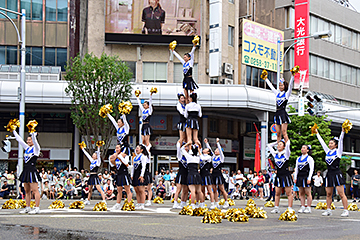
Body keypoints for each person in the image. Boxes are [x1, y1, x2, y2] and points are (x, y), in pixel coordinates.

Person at [315, 128, 349, 217]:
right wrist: (317, 133)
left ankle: (345, 210)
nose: (329, 145)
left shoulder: (338, 152)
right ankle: (328, 209)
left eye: (331, 143)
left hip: (337, 173)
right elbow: (322, 143)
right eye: (329, 143)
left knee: (341, 193)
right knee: (329, 193)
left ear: (336, 145)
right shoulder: (327, 151)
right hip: (329, 174)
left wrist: (342, 131)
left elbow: (341, 140)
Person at [13, 129, 41, 214]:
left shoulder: (36, 148)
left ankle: (37, 208)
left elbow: (35, 142)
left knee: (35, 190)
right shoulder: (27, 148)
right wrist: (13, 130)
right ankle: (28, 207)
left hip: (32, 171)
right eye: (27, 140)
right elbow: (19, 140)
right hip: (26, 170)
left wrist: (33, 134)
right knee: (27, 190)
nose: (28, 141)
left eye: (30, 139)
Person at [264, 73, 294, 143]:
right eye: (279, 85)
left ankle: (287, 147)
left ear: (285, 86)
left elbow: (290, 86)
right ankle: (279, 147)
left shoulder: (286, 94)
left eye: (282, 85)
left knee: (284, 132)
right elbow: (271, 87)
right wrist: (266, 79)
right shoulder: (277, 93)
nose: (280, 87)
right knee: (278, 133)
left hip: (283, 113)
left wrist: (292, 76)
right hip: (277, 113)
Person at [267, 139, 294, 214]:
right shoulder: (275, 154)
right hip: (278, 176)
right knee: (277, 193)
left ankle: (290, 207)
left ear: (284, 146)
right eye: (278, 145)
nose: (278, 145)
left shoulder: (286, 154)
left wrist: (285, 138)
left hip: (286, 175)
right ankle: (276, 207)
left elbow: (288, 144)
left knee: (288, 193)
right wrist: (277, 141)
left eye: (280, 144)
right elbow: (269, 145)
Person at [206, 138, 229, 209]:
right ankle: (216, 202)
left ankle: (226, 201)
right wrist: (207, 143)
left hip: (219, 174)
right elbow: (209, 149)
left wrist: (218, 143)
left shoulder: (221, 157)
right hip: (213, 174)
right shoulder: (213, 157)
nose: (215, 151)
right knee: (214, 189)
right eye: (215, 150)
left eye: (217, 150)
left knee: (222, 189)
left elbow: (220, 151)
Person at [109, 144, 132, 210]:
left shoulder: (125, 155)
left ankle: (129, 203)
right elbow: (113, 165)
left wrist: (119, 157)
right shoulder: (116, 156)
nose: (116, 149)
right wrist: (112, 158)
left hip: (124, 174)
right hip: (119, 174)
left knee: (127, 190)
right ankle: (118, 204)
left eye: (118, 148)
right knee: (119, 190)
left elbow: (126, 163)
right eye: (116, 148)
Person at [181, 143, 203, 208]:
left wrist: (187, 144)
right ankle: (201, 204)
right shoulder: (198, 157)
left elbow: (182, 149)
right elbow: (200, 153)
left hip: (191, 174)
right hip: (197, 174)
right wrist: (198, 148)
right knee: (199, 191)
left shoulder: (189, 156)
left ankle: (193, 204)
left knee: (192, 191)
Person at [294, 145, 314, 214]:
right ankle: (302, 206)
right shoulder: (298, 158)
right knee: (301, 192)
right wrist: (295, 177)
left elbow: (311, 169)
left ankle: (308, 207)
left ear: (308, 150)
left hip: (306, 176)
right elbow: (296, 168)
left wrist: (309, 178)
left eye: (304, 148)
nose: (302, 149)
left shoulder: (310, 158)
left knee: (308, 192)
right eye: (302, 148)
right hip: (300, 176)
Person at [198, 139, 215, 209]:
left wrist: (199, 149)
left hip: (207, 175)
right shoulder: (201, 155)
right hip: (201, 174)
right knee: (202, 190)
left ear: (208, 152)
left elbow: (202, 158)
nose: (203, 149)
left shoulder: (209, 157)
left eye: (205, 149)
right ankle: (202, 203)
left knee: (209, 190)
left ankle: (212, 203)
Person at [172, 141, 189, 209]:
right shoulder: (180, 156)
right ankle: (175, 202)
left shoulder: (189, 155)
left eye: (187, 147)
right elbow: (178, 147)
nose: (186, 148)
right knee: (178, 190)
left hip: (187, 174)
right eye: (185, 147)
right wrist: (180, 141)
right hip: (181, 174)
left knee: (186, 190)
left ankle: (183, 202)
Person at [131, 145, 148, 210]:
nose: (136, 149)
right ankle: (138, 203)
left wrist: (142, 175)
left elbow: (144, 166)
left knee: (141, 190)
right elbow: (133, 167)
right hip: (135, 174)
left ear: (141, 150)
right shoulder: (134, 157)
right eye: (136, 148)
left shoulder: (143, 156)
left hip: (140, 174)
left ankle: (142, 204)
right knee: (137, 190)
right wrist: (132, 175)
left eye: (138, 148)